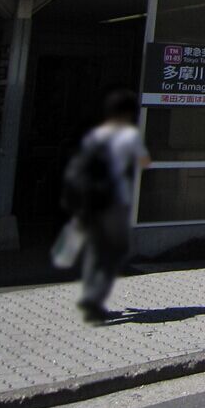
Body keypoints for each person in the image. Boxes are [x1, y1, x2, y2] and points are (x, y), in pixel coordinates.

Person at [68, 88, 149, 324]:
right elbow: (144, 162)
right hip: (114, 201)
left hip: (91, 201)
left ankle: (89, 294)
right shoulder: (130, 136)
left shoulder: (96, 135)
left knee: (95, 249)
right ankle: (95, 302)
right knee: (111, 253)